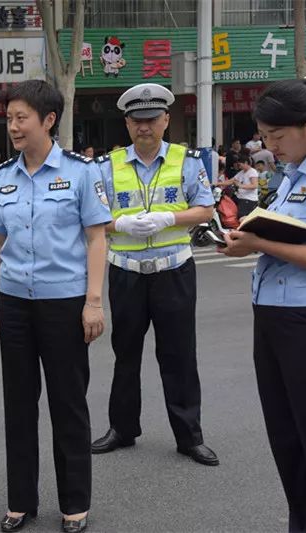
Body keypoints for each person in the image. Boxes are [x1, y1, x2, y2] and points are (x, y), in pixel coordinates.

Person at [0, 79, 111, 533]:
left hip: (65, 303)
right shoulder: (2, 179)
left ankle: (75, 503)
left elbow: (97, 238)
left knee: (67, 404)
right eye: (10, 117)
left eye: (22, 118)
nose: (13, 126)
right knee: (18, 404)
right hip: (15, 304)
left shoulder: (80, 173)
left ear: (48, 120)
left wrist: (94, 302)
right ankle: (21, 501)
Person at [90, 83, 219, 467]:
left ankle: (189, 436)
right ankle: (122, 429)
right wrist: (122, 224)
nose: (143, 127)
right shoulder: (106, 166)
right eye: (136, 120)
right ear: (126, 124)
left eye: (151, 119)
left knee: (179, 356)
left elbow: (205, 209)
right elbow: (94, 221)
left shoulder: (188, 160)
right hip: (126, 273)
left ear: (166, 120)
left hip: (174, 270)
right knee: (124, 355)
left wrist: (168, 217)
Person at [218, 77, 306, 532]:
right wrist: (251, 241)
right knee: (286, 435)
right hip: (272, 318)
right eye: (264, 135)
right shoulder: (290, 175)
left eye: (277, 136)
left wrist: (259, 241)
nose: (269, 145)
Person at [232, 153, 259, 217]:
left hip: (248, 199)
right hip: (240, 197)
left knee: (241, 215)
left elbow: (254, 185)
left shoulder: (252, 172)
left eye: (240, 164)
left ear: (246, 163)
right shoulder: (241, 172)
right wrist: (218, 183)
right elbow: (232, 180)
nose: (239, 166)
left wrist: (241, 186)